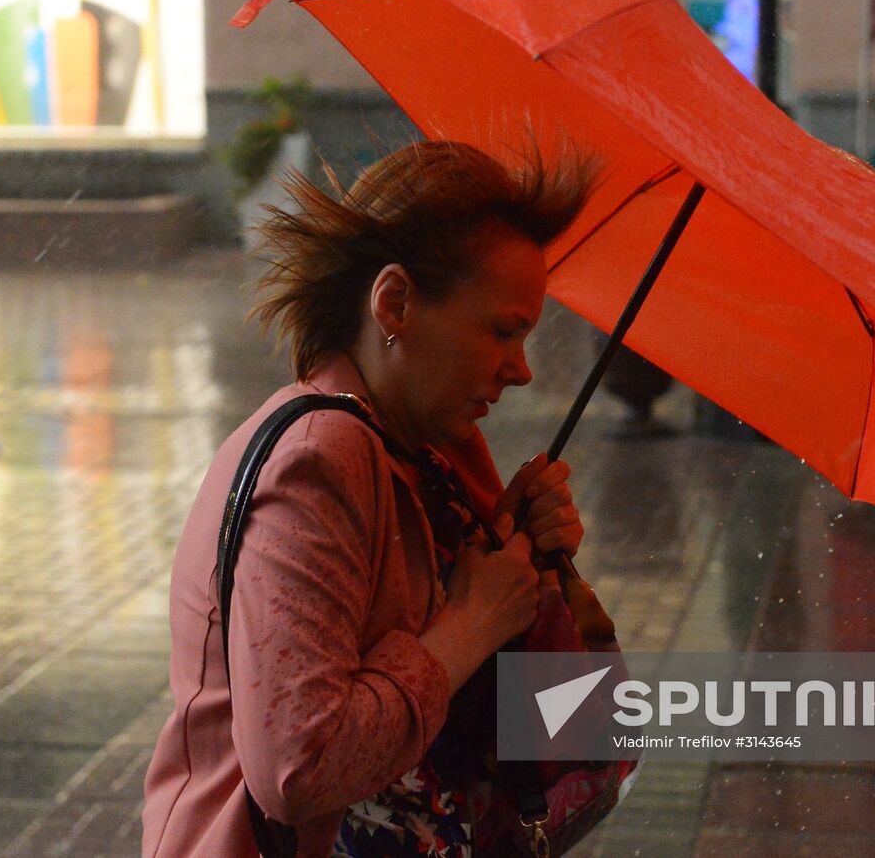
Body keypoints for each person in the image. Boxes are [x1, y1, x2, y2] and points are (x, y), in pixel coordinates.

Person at [142, 141, 595, 857]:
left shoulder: (428, 454)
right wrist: (474, 622)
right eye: (503, 331)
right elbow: (299, 766)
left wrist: (519, 560)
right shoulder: (320, 458)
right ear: (395, 303)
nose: (522, 370)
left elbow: (510, 707)